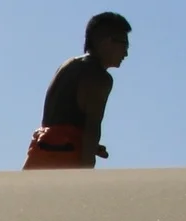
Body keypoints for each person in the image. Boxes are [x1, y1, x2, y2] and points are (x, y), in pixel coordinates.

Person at [25, 12, 131, 169]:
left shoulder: (69, 65)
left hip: (39, 150)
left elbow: (57, 122)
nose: (126, 54)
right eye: (124, 45)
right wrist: (87, 167)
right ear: (108, 42)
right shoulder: (99, 77)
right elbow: (92, 128)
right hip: (66, 157)